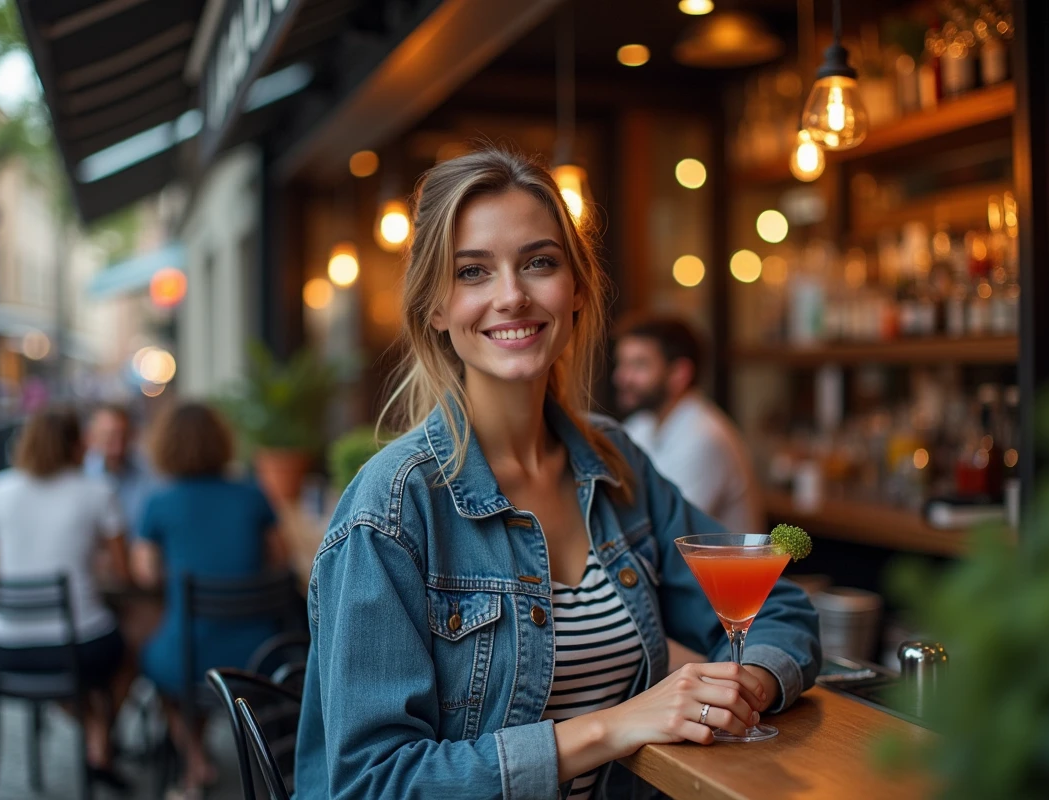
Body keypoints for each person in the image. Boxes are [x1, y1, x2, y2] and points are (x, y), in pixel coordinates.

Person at [293, 148, 820, 799]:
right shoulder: (393, 508)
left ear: (575, 291)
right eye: (472, 272)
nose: (512, 296)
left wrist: (749, 684)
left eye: (539, 263)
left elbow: (776, 607)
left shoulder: (617, 466)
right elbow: (368, 783)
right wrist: (612, 728)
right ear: (434, 308)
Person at [131, 402, 286, 796]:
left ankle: (194, 761)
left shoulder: (159, 502)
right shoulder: (252, 495)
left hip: (189, 653)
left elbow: (145, 573)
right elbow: (279, 561)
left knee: (154, 658)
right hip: (257, 654)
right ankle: (226, 757)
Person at [0, 408, 132, 789]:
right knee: (129, 652)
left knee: (70, 663)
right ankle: (99, 736)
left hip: (9, 648)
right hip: (79, 648)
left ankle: (96, 737)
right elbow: (123, 574)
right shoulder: (97, 491)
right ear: (78, 445)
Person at [614, 316, 764, 534]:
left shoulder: (704, 438)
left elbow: (665, 533)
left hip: (718, 568)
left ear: (679, 374)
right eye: (622, 363)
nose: (621, 377)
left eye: (639, 365)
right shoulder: (640, 425)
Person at [84, 403, 156, 537]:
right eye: (109, 438)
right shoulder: (78, 476)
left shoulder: (147, 473)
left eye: (124, 437)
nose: (118, 447)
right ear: (91, 437)